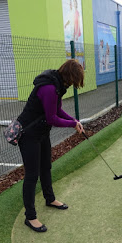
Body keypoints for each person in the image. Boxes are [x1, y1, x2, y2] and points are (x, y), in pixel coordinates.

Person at [17, 59, 84, 233]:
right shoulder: (49, 88)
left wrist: (74, 120)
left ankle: (50, 199)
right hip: (29, 134)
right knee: (32, 175)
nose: (73, 84)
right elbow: (51, 118)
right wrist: (71, 125)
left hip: (41, 132)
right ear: (69, 76)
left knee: (46, 167)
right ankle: (30, 217)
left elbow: (57, 111)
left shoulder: (58, 85)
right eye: (74, 80)